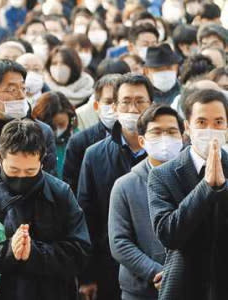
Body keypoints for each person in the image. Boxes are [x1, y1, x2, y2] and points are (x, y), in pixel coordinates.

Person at [0, 119, 91, 299]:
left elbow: (79, 251)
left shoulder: (60, 194)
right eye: (13, 170)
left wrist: (34, 252)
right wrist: (6, 251)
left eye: (30, 172)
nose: (21, 177)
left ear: (42, 161)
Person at [77, 74, 154, 300]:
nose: (132, 108)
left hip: (162, 266)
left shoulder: (169, 153)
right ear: (116, 107)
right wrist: (87, 275)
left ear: (152, 105)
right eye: (125, 101)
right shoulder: (95, 155)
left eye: (140, 101)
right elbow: (85, 216)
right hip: (110, 266)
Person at [148, 88, 228, 299]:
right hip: (185, 287)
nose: (211, 130)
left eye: (218, 122)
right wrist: (207, 187)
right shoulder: (163, 175)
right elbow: (168, 234)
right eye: (202, 122)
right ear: (187, 127)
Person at [109, 104, 181, 300]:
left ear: (183, 137)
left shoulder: (195, 181)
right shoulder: (125, 185)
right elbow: (119, 242)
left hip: (189, 285)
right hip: (140, 290)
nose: (165, 137)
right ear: (142, 140)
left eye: (172, 131)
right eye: (156, 132)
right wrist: (155, 272)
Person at [64, 74, 122, 193]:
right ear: (97, 105)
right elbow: (72, 187)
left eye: (119, 101)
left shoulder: (141, 139)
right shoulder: (79, 142)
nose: (114, 107)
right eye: (109, 101)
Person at [31, 91, 78, 177]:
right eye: (52, 126)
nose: (57, 130)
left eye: (61, 124)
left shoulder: (78, 141)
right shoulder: (32, 142)